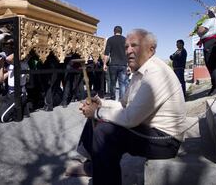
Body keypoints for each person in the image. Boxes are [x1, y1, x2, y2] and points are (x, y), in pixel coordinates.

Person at [66, 29, 187, 185]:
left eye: (134, 46)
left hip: (165, 139)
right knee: (97, 118)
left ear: (151, 50)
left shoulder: (156, 73)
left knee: (104, 130)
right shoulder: (139, 72)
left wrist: (97, 112)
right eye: (126, 47)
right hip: (146, 127)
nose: (128, 51)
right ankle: (94, 165)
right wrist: (101, 103)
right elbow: (123, 104)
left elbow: (130, 118)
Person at [197, 8, 216, 96]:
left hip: (211, 43)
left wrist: (199, 29)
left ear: (211, 13)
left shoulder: (210, 20)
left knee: (212, 65)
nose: (208, 13)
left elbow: (201, 31)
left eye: (209, 12)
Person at [103, 26, 128, 101]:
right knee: (122, 84)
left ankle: (113, 98)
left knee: (112, 83)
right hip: (123, 65)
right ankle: (121, 100)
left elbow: (106, 54)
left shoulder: (110, 40)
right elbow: (128, 53)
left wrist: (104, 64)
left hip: (113, 65)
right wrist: (129, 65)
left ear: (114, 31)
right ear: (121, 32)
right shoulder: (126, 40)